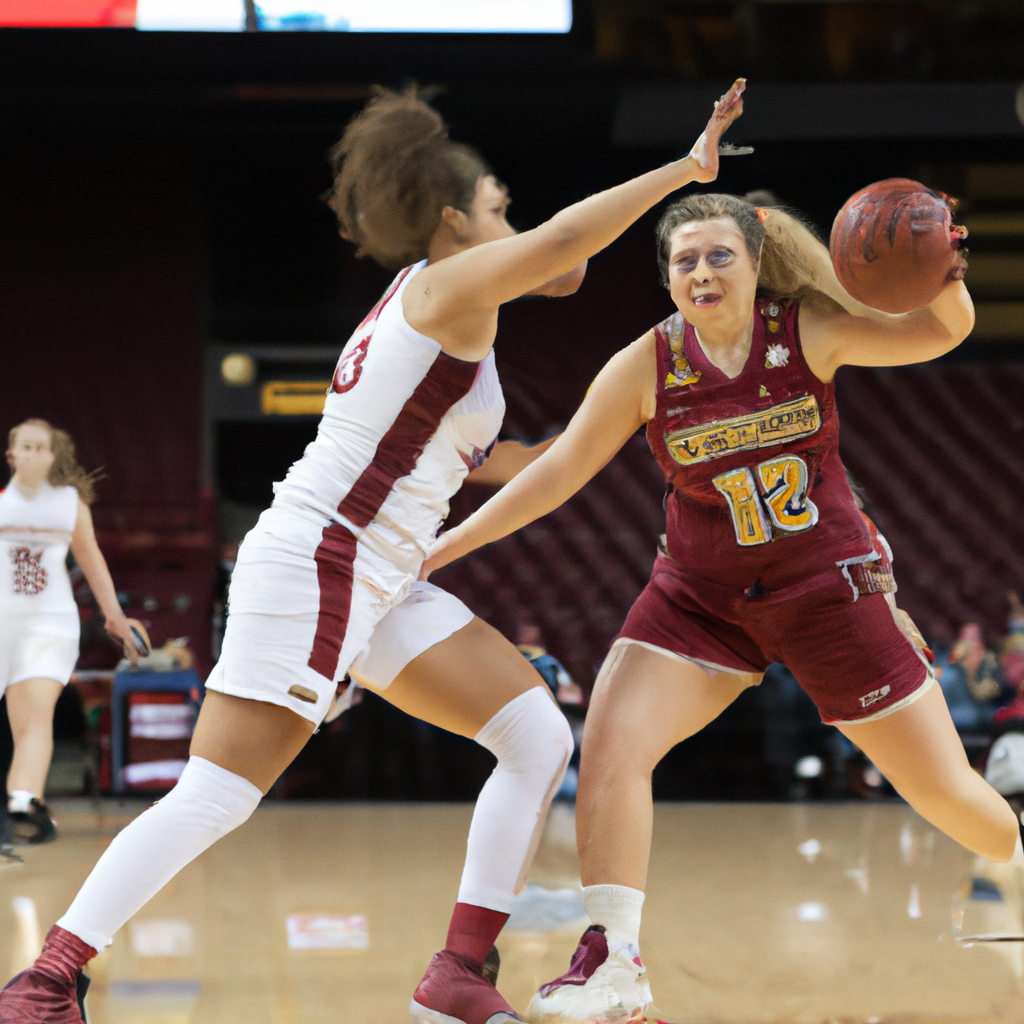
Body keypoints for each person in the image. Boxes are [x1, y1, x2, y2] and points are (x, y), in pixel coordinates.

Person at [0, 80, 747, 1024]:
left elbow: (500, 460)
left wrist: (652, 424)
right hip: (322, 562)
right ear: (452, 223)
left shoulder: (448, 318)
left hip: (380, 578)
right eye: (499, 209)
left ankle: (458, 973)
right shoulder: (443, 294)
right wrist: (689, 169)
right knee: (218, 794)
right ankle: (46, 978)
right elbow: (563, 246)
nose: (514, 221)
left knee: (534, 736)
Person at [422, 189, 1015, 1022]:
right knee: (613, 744)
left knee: (952, 798)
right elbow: (555, 475)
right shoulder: (647, 366)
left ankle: (1018, 852)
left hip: (826, 594)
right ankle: (614, 961)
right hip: (700, 599)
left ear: (754, 265)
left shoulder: (806, 331)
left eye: (718, 255)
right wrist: (444, 547)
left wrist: (943, 265)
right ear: (669, 279)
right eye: (684, 260)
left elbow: (941, 331)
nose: (700, 271)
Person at [0, 420, 139, 851]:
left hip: (49, 623)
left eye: (42, 447)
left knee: (36, 719)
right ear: (12, 455)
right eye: (25, 446)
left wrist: (115, 616)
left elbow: (91, 558)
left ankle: (23, 802)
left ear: (52, 457)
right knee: (23, 725)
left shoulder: (70, 505)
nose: (33, 454)